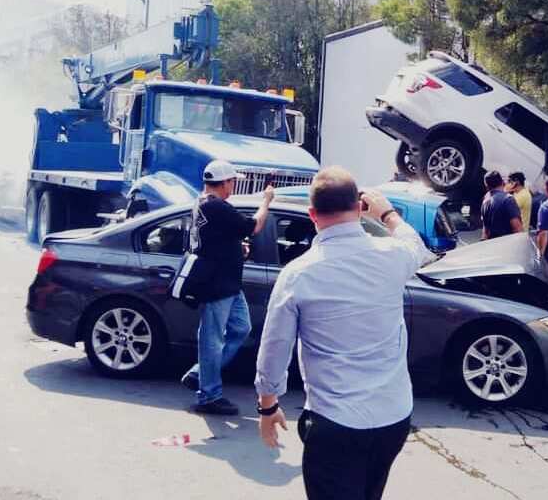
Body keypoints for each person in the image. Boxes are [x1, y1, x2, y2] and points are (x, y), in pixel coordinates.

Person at [255, 167, 431, 500]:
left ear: (312, 215)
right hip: (393, 417)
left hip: (336, 423)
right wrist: (388, 214)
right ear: (360, 207)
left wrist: (267, 406)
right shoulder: (393, 256)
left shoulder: (299, 274)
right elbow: (415, 246)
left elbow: (274, 349)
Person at [180, 160, 273, 415]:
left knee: (241, 329)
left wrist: (236, 248)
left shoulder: (204, 204)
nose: (234, 186)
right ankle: (209, 395)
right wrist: (266, 201)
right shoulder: (216, 206)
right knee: (212, 340)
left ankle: (199, 374)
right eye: (233, 181)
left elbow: (216, 239)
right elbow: (254, 226)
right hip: (216, 284)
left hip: (229, 282)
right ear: (225, 183)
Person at [481, 170, 523, 240]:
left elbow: (485, 231)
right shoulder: (508, 199)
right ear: (502, 182)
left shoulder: (485, 202)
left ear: (487, 187)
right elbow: (517, 229)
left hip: (492, 246)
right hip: (508, 246)